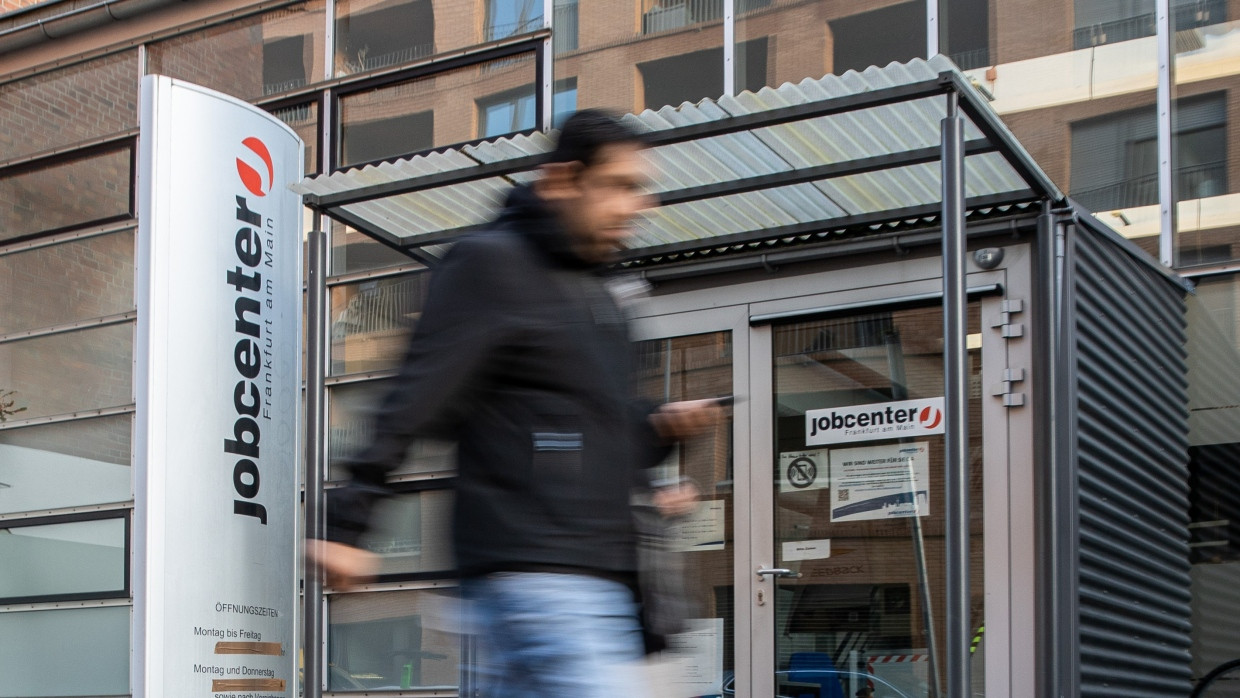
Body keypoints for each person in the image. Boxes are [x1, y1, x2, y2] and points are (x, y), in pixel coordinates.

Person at [308, 109, 721, 698]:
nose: (638, 206)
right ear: (561, 181)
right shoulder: (493, 264)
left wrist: (657, 430)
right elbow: (418, 394)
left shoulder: (604, 294)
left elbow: (590, 428)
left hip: (600, 576)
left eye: (643, 190)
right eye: (620, 186)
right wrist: (348, 521)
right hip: (536, 571)